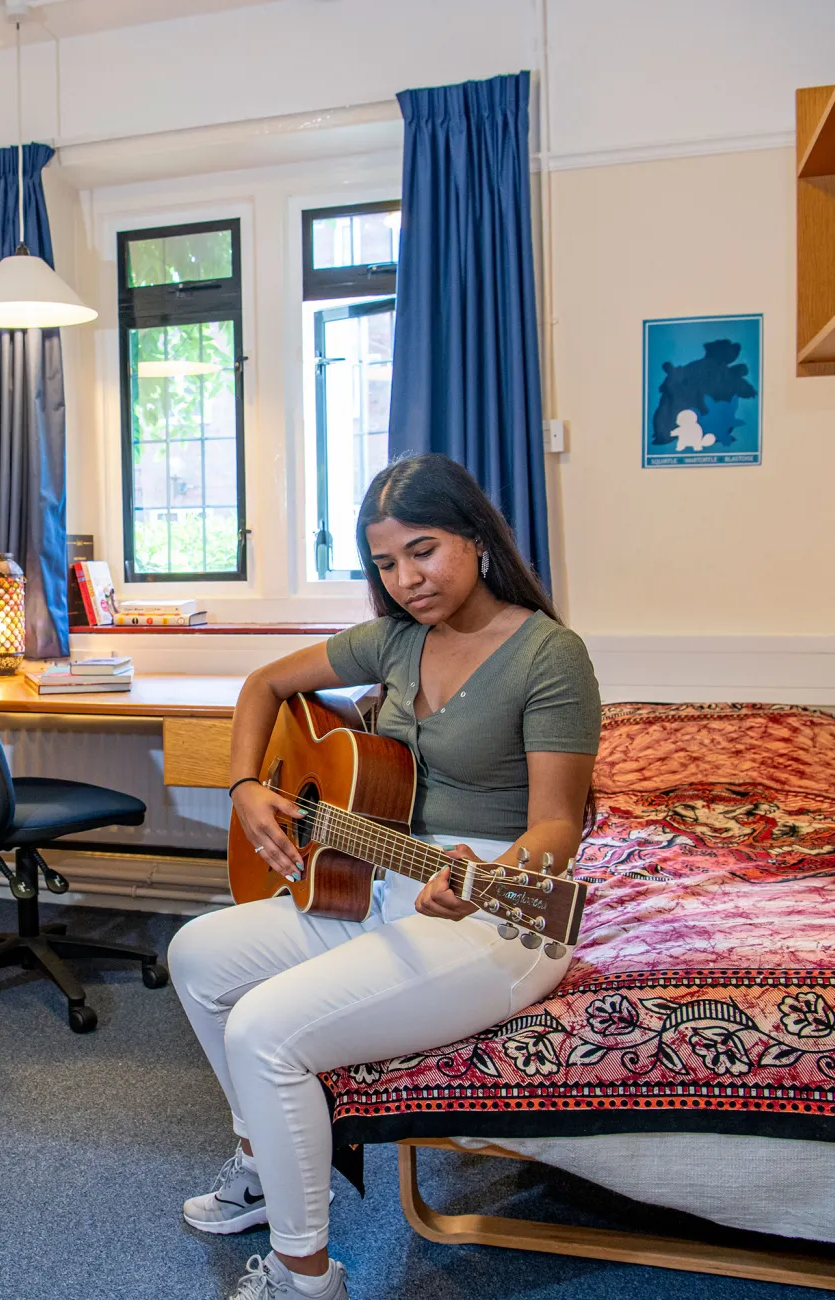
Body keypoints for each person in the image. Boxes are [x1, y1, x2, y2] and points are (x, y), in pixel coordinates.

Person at [168, 453, 601, 1300]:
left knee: (264, 1029)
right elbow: (264, 684)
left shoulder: (551, 655)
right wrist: (247, 786)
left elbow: (557, 826)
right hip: (382, 879)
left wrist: (490, 874)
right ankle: (262, 1164)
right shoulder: (398, 640)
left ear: (476, 539)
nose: (407, 579)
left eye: (425, 551)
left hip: (502, 914)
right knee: (194, 956)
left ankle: (306, 1281)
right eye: (386, 564)